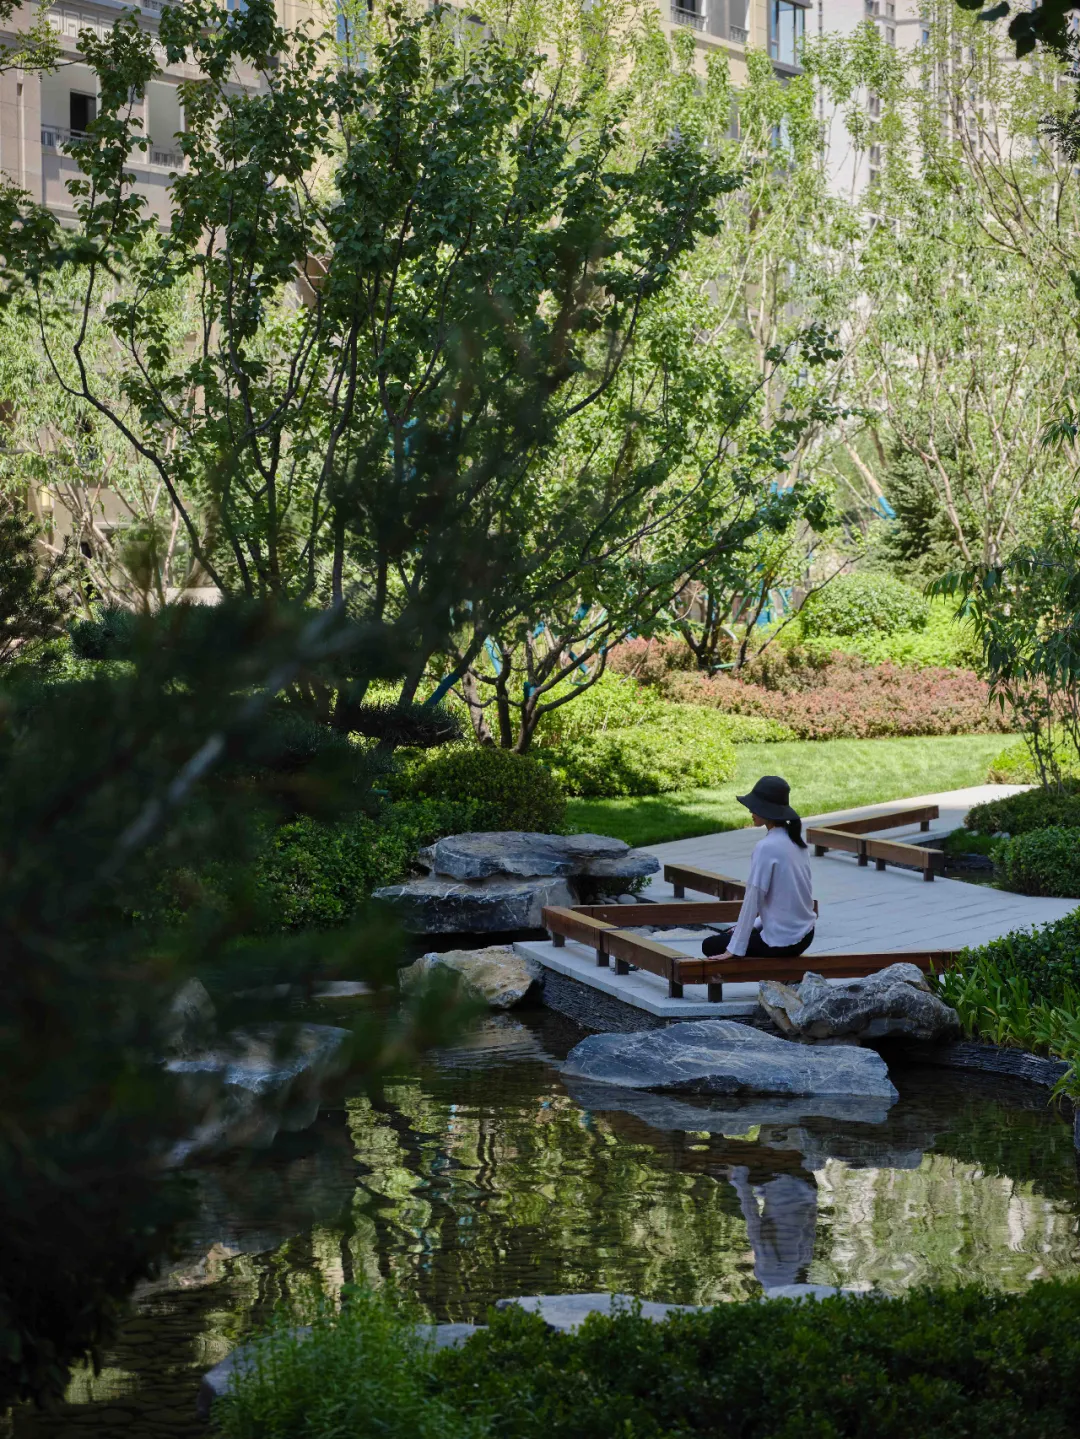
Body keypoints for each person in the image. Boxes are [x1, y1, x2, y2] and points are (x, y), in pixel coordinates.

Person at [701, 775, 815, 961]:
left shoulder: (767, 846)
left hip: (784, 942)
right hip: (806, 934)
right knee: (732, 933)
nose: (750, 811)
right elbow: (788, 899)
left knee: (711, 944)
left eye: (754, 807)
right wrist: (753, 926)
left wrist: (734, 948)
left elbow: (753, 898)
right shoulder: (796, 842)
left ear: (766, 810)